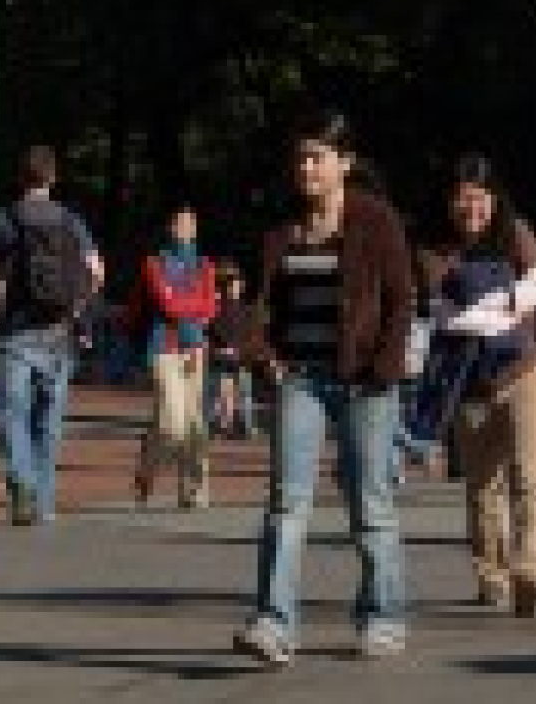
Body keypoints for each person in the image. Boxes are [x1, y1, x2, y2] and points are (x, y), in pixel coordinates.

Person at [234, 108, 411, 667]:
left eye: (318, 157)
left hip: (364, 383)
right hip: (302, 380)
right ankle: (274, 623)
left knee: (371, 504)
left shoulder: (375, 221)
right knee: (286, 503)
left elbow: (403, 298)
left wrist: (384, 366)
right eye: (301, 157)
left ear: (344, 163)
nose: (306, 167)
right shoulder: (280, 228)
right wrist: (264, 357)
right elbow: (254, 303)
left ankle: (382, 618)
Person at [439, 152, 536, 616]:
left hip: (527, 371)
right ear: (450, 203)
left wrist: (495, 304)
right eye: (463, 200)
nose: (472, 209)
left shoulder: (516, 231)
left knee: (532, 478)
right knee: (483, 486)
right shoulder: (437, 248)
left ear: (495, 199)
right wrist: (506, 305)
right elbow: (448, 317)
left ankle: (531, 570)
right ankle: (492, 575)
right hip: (470, 380)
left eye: (481, 198)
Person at [0, 144, 102, 526]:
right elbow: (97, 271)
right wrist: (77, 308)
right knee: (48, 419)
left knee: (10, 411)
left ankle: (21, 482)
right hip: (58, 331)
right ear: (52, 178)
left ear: (21, 177)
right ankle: (44, 503)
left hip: (15, 330)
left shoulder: (4, 220)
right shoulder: (71, 221)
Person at [129, 203, 217, 505]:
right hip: (162, 347)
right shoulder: (154, 263)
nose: (185, 229)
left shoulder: (205, 265)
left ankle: (193, 489)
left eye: (191, 224)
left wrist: (183, 303)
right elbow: (167, 305)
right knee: (172, 422)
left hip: (194, 350)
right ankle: (147, 468)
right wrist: (190, 305)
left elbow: (209, 308)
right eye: (180, 223)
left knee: (194, 420)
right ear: (170, 228)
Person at [208, 264, 256, 438]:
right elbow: (212, 329)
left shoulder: (246, 309)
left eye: (235, 284)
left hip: (240, 357)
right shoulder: (216, 307)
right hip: (221, 355)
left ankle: (246, 424)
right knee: (221, 391)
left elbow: (251, 333)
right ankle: (221, 425)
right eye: (229, 284)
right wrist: (220, 348)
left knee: (244, 391)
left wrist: (243, 350)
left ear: (241, 286)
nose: (232, 288)